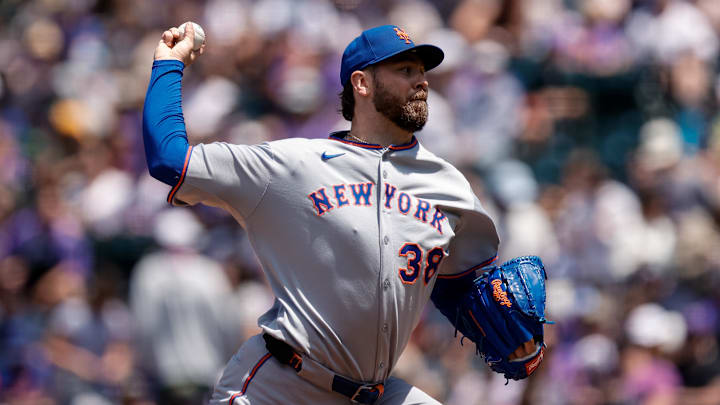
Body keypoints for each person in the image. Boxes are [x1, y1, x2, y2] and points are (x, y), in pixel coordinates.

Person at [143, 23, 539, 405]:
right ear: (361, 84)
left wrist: (502, 323)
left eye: (422, 72)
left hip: (376, 393)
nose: (422, 81)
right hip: (279, 387)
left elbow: (461, 287)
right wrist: (168, 64)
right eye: (405, 70)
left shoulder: (448, 185)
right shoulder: (293, 165)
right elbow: (170, 160)